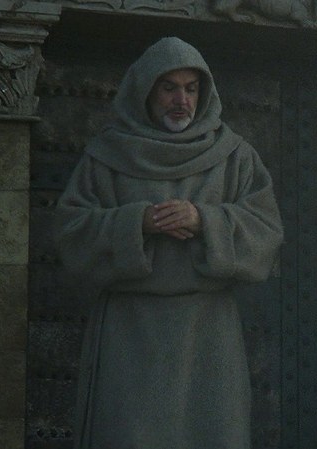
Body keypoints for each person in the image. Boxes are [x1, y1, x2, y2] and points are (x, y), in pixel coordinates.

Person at [53, 37, 283, 449]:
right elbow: (72, 231)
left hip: (207, 334)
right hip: (129, 332)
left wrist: (204, 220)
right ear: (146, 90)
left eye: (191, 89)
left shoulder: (233, 156)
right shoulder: (107, 155)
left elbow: (266, 231)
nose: (181, 101)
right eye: (169, 88)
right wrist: (137, 222)